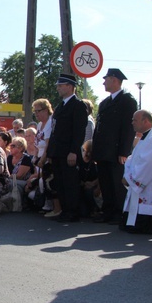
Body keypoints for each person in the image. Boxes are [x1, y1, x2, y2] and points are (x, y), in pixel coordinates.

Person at [92, 68, 137, 225]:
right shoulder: (105, 102)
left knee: (117, 183)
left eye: (106, 78)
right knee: (105, 183)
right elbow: (99, 129)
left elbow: (128, 128)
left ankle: (119, 212)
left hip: (117, 151)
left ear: (115, 80)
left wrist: (124, 151)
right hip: (103, 151)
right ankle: (108, 210)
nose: (104, 82)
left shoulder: (127, 100)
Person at [46, 73, 87, 222]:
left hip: (68, 152)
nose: (58, 88)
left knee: (70, 183)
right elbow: (55, 131)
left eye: (60, 85)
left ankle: (72, 212)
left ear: (70, 87)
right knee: (60, 183)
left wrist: (73, 151)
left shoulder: (78, 105)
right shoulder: (60, 106)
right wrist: (51, 152)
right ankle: (64, 210)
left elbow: (78, 132)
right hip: (58, 151)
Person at [120, 110, 152, 234]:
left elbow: (148, 165)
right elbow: (131, 159)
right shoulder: (145, 138)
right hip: (139, 182)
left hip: (150, 188)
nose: (132, 123)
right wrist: (127, 174)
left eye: (135, 120)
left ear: (145, 121)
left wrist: (131, 178)